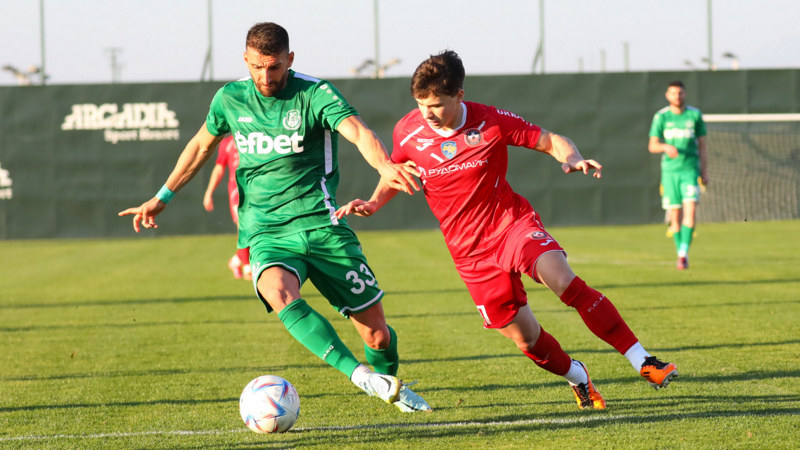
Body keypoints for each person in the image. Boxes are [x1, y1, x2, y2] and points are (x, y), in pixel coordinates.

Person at [337, 50, 678, 410]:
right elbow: (396, 171)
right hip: (469, 253)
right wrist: (373, 203)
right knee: (527, 340)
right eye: (421, 104)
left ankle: (643, 360)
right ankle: (577, 375)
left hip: (511, 225)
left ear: (459, 95)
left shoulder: (491, 121)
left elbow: (550, 140)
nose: (427, 113)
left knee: (562, 279)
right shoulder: (407, 130)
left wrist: (573, 158)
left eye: (436, 105)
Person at [118, 22, 430, 412]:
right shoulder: (230, 98)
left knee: (377, 336)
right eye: (256, 67)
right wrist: (162, 196)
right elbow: (200, 145)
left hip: (322, 225)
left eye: (274, 67)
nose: (265, 77)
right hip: (266, 230)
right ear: (245, 60)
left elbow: (357, 132)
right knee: (279, 292)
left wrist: (384, 165)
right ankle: (361, 376)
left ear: (289, 59)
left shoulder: (315, 93)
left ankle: (390, 385)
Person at [648, 80, 708, 270]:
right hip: (670, 172)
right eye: (673, 93)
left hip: (690, 170)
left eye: (680, 93)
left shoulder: (694, 115)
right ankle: (679, 251)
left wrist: (704, 171)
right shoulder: (661, 116)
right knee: (675, 215)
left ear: (685, 94)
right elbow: (652, 145)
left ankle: (683, 254)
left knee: (691, 210)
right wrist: (665, 146)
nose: (677, 96)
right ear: (668, 95)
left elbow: (702, 145)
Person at [202, 134, 252, 280]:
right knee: (243, 228)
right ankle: (247, 266)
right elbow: (219, 168)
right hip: (237, 191)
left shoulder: (255, 136)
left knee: (256, 229)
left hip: (256, 190)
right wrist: (209, 192)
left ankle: (237, 259)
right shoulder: (227, 143)